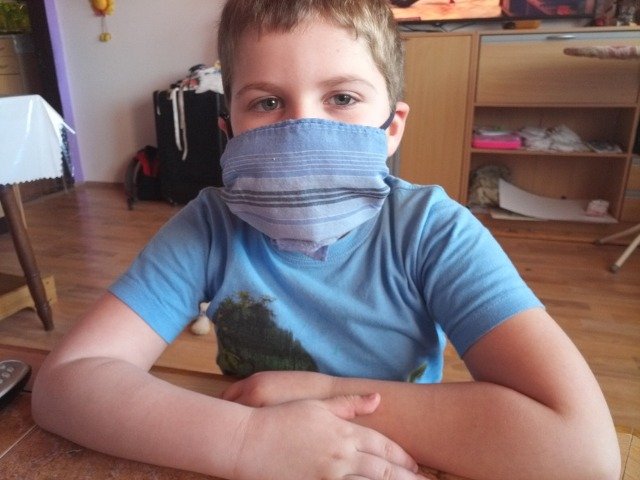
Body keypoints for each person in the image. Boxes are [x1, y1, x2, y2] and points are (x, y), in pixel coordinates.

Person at [32, 1, 620, 479]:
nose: (301, 128)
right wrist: (247, 440)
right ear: (228, 131)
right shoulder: (209, 227)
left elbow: (581, 449)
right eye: (267, 102)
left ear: (391, 128)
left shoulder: (432, 232)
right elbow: (67, 382)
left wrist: (325, 392)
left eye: (342, 98)